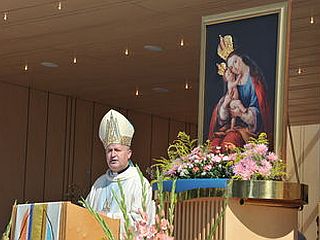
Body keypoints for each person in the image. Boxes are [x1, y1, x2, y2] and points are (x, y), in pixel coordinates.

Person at [86, 109, 155, 236]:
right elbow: (84, 215)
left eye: (117, 150)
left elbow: (140, 222)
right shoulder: (99, 183)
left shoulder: (139, 182)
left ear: (129, 154)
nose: (113, 155)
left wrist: (107, 217)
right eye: (109, 150)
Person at [209, 45, 272, 151]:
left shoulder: (255, 82)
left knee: (228, 143)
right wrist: (225, 106)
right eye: (231, 67)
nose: (234, 67)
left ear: (243, 58)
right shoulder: (233, 81)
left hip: (249, 130)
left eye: (235, 62)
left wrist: (241, 114)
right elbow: (224, 113)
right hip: (232, 127)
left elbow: (258, 112)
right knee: (214, 145)